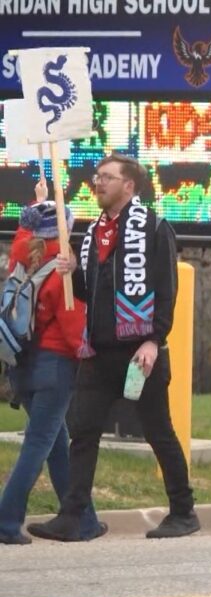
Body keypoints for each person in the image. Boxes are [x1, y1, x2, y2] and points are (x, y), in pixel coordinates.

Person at [29, 152, 200, 541]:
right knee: (84, 432)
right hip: (98, 351)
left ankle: (183, 511)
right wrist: (74, 273)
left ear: (129, 185)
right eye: (96, 176)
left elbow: (166, 290)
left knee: (159, 431)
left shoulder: (154, 227)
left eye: (106, 177)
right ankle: (74, 516)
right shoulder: (92, 233)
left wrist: (155, 340)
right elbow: (94, 294)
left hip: (140, 351)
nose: (97, 182)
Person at [0, 183, 105, 545]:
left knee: (56, 441)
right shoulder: (63, 267)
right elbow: (73, 326)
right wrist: (89, 359)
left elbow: (27, 227)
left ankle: (81, 517)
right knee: (38, 443)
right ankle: (6, 521)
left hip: (20, 364)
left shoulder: (19, 255)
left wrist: (39, 200)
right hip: (55, 365)